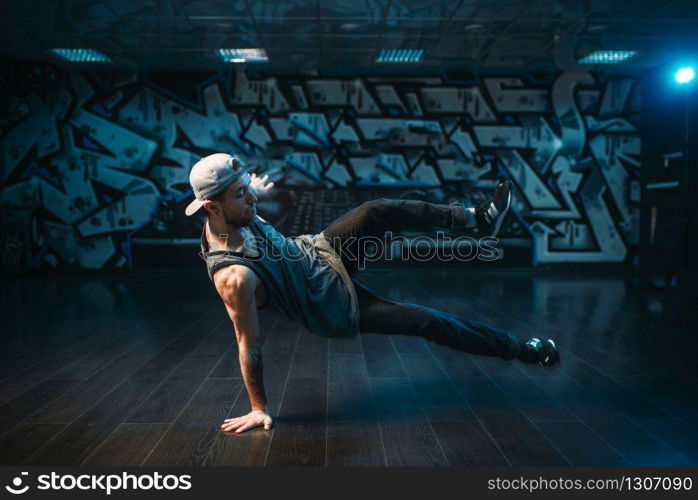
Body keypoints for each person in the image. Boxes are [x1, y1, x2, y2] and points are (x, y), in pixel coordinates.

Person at [185, 153, 560, 435]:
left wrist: (254, 188)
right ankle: (520, 348)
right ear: (212, 208)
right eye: (241, 195)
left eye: (248, 190)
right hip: (329, 303)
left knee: (376, 210)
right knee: (426, 320)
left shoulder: (236, 210)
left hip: (318, 253)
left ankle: (478, 217)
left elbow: (249, 197)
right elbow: (247, 344)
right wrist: (257, 407)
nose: (251, 199)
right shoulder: (233, 276)